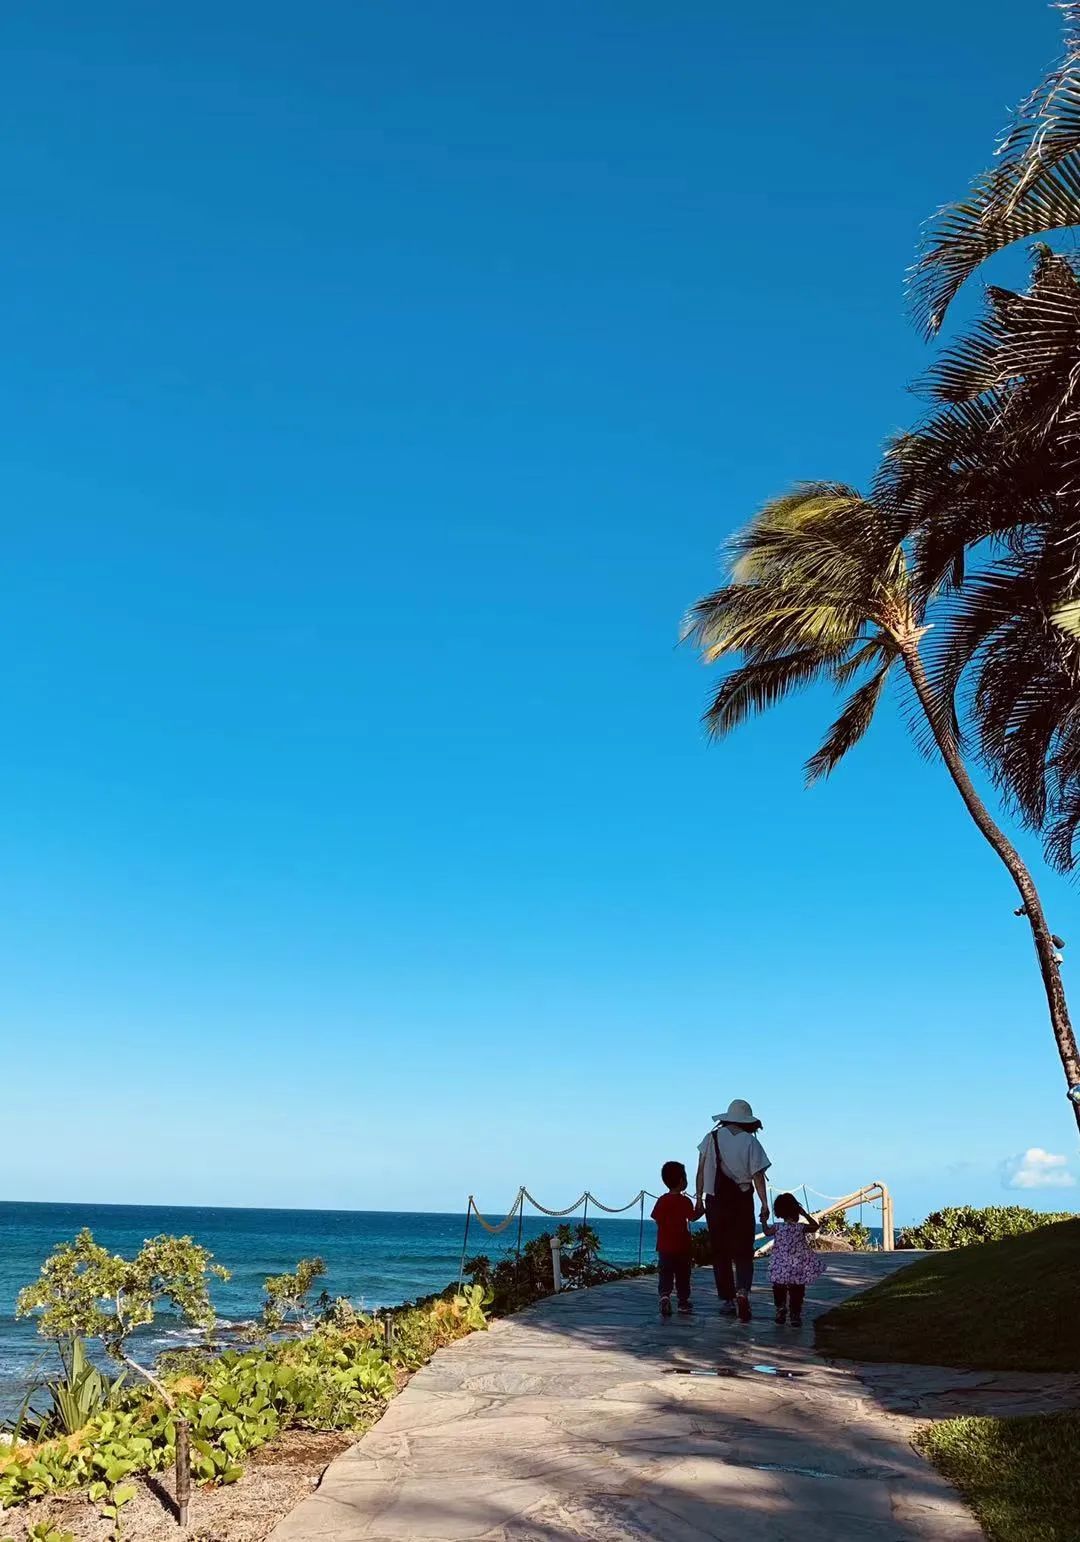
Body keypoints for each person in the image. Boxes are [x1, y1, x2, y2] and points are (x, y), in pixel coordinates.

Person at [694, 1099, 770, 1322]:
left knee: (721, 1251)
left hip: (715, 1201)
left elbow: (700, 1170)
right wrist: (765, 1204)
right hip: (742, 1200)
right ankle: (742, 1291)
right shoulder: (751, 1143)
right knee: (744, 1250)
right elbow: (758, 1176)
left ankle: (727, 1299)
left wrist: (698, 1198)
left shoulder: (711, 1138)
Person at [762, 1191, 824, 1327]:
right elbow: (815, 1226)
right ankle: (795, 1314)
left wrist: (763, 1221)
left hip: (780, 1264)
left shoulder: (778, 1227)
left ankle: (780, 1309)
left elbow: (766, 1232)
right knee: (797, 1289)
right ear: (796, 1210)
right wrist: (805, 1214)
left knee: (778, 1287)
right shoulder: (800, 1227)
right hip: (796, 1264)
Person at [650, 1160, 697, 1318]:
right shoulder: (685, 1201)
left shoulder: (662, 1200)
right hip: (682, 1246)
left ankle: (664, 1296)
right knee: (683, 1275)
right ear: (682, 1180)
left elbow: (657, 1219)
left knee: (665, 1273)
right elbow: (693, 1217)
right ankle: (683, 1302)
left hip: (664, 1246)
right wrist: (702, 1208)